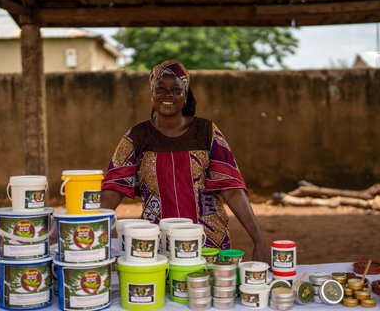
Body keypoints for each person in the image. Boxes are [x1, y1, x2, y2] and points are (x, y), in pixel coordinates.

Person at [101, 60, 270, 263]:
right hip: (156, 244)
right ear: (151, 93)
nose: (167, 95)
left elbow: (232, 188)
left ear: (185, 93)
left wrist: (258, 239)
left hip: (208, 241)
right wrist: (92, 234)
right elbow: (113, 188)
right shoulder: (137, 136)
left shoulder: (206, 132)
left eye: (176, 89)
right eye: (160, 88)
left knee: (208, 291)